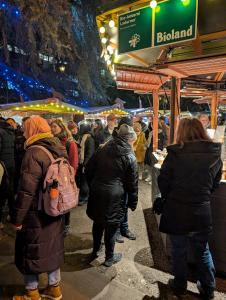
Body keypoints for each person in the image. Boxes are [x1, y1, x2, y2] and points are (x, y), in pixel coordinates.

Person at [158, 118, 222, 299]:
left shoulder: (175, 154)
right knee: (202, 250)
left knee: (179, 251)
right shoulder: (215, 153)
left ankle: (179, 286)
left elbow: (163, 181)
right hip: (201, 211)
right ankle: (209, 289)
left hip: (177, 211)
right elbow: (215, 183)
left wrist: (170, 195)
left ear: (181, 132)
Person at [11, 116, 66, 300]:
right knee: (52, 248)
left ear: (33, 129)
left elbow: (26, 191)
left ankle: (32, 293)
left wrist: (17, 219)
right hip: (55, 209)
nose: (24, 132)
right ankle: (54, 288)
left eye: (26, 128)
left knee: (31, 251)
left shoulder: (33, 152)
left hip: (36, 212)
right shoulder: (57, 146)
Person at [86, 124, 138, 267]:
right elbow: (132, 183)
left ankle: (95, 251)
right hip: (115, 195)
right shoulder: (129, 156)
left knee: (98, 223)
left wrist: (94, 184)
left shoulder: (102, 148)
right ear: (130, 139)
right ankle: (109, 257)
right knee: (112, 226)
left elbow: (88, 169)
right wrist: (133, 202)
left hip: (98, 191)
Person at [51, 119, 78, 234]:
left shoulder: (69, 142)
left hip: (66, 176)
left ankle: (66, 224)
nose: (52, 129)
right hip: (54, 176)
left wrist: (71, 177)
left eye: (55, 127)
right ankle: (56, 222)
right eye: (51, 127)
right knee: (54, 198)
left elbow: (73, 161)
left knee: (65, 199)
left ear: (61, 127)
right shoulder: (51, 140)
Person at [0, 117, 15, 223]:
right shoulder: (11, 132)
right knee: (10, 190)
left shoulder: (1, 132)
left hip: (2, 166)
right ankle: (13, 214)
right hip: (11, 164)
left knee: (2, 192)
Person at [78, 122, 95, 205]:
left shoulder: (89, 139)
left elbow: (90, 153)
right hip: (82, 163)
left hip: (87, 164)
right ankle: (83, 196)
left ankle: (84, 197)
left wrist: (85, 165)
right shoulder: (82, 138)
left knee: (85, 181)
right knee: (83, 180)